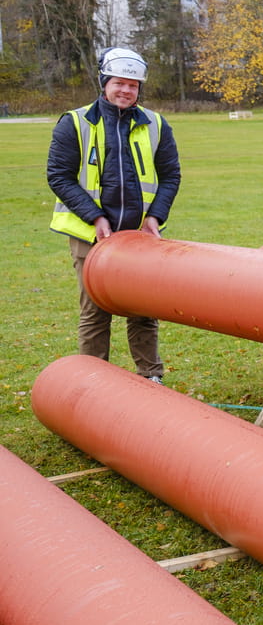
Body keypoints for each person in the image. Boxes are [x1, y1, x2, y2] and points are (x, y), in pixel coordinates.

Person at [46, 47, 181, 382]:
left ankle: (151, 376)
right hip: (90, 235)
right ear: (104, 83)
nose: (126, 90)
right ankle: (94, 382)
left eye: (133, 85)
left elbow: (170, 175)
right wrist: (95, 217)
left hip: (140, 236)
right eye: (119, 83)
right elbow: (59, 176)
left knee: (144, 311)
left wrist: (155, 217)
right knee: (95, 312)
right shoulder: (75, 123)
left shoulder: (156, 124)